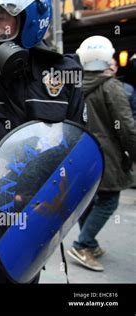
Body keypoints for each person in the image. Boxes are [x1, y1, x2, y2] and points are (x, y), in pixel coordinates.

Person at [0, 0, 85, 283]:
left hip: (33, 228)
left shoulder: (62, 78)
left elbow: (79, 152)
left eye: (0, 16)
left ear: (30, 23)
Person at [67, 36, 136, 271]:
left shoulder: (73, 86)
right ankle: (82, 244)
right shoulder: (112, 87)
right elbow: (127, 127)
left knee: (88, 200)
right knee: (108, 201)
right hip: (108, 156)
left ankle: (89, 241)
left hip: (81, 155)